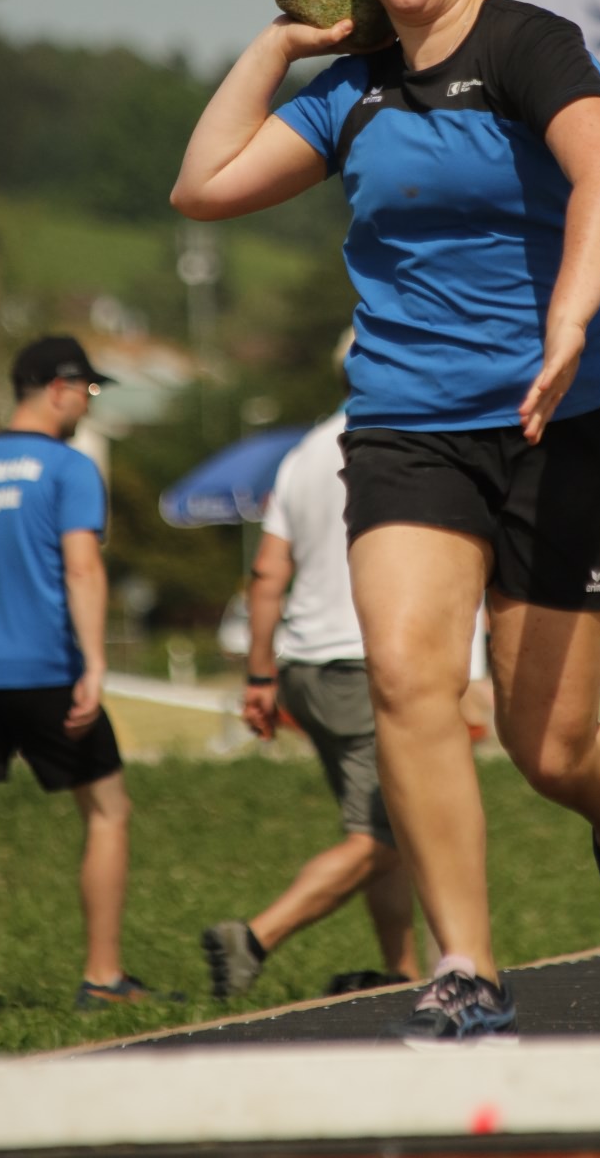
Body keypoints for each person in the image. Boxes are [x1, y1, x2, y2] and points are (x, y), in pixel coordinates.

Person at [171, 0, 600, 1041]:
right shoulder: (350, 90)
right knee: (407, 679)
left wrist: (567, 320)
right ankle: (466, 967)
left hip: (568, 410)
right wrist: (280, 44)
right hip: (408, 419)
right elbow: (203, 184)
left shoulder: (525, 46)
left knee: (545, 744)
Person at [0, 334, 181, 1015]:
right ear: (60, 389)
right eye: (89, 390)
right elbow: (82, 567)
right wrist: (96, 663)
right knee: (107, 813)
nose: (89, 404)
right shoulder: (68, 468)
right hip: (47, 671)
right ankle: (102, 976)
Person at [202, 401, 422, 1002]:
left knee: (376, 826)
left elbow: (268, 573)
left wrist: (259, 675)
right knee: (392, 833)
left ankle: (403, 971)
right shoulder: (406, 435)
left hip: (304, 667)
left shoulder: (303, 453)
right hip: (363, 661)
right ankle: (255, 938)